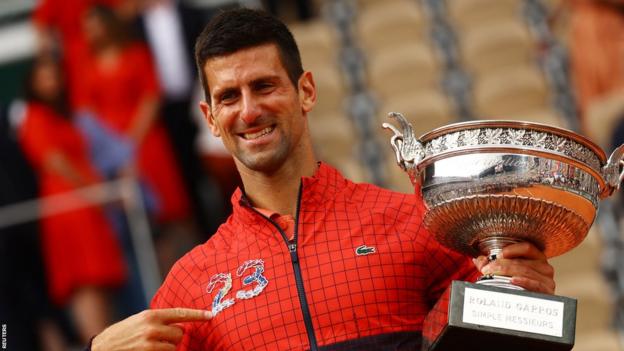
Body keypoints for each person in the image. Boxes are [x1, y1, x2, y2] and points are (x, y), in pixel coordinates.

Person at [90, 8, 555, 350]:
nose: (248, 111)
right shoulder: (190, 284)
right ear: (210, 119)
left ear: (306, 91)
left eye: (264, 85)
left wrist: (525, 301)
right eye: (229, 96)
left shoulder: (413, 224)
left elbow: (504, 336)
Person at [18, 56, 127, 344]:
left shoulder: (63, 114)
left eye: (55, 75)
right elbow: (55, 161)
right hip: (68, 204)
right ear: (32, 83)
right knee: (84, 280)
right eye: (44, 76)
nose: (52, 81)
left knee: (100, 282)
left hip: (85, 203)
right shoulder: (35, 115)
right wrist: (95, 191)